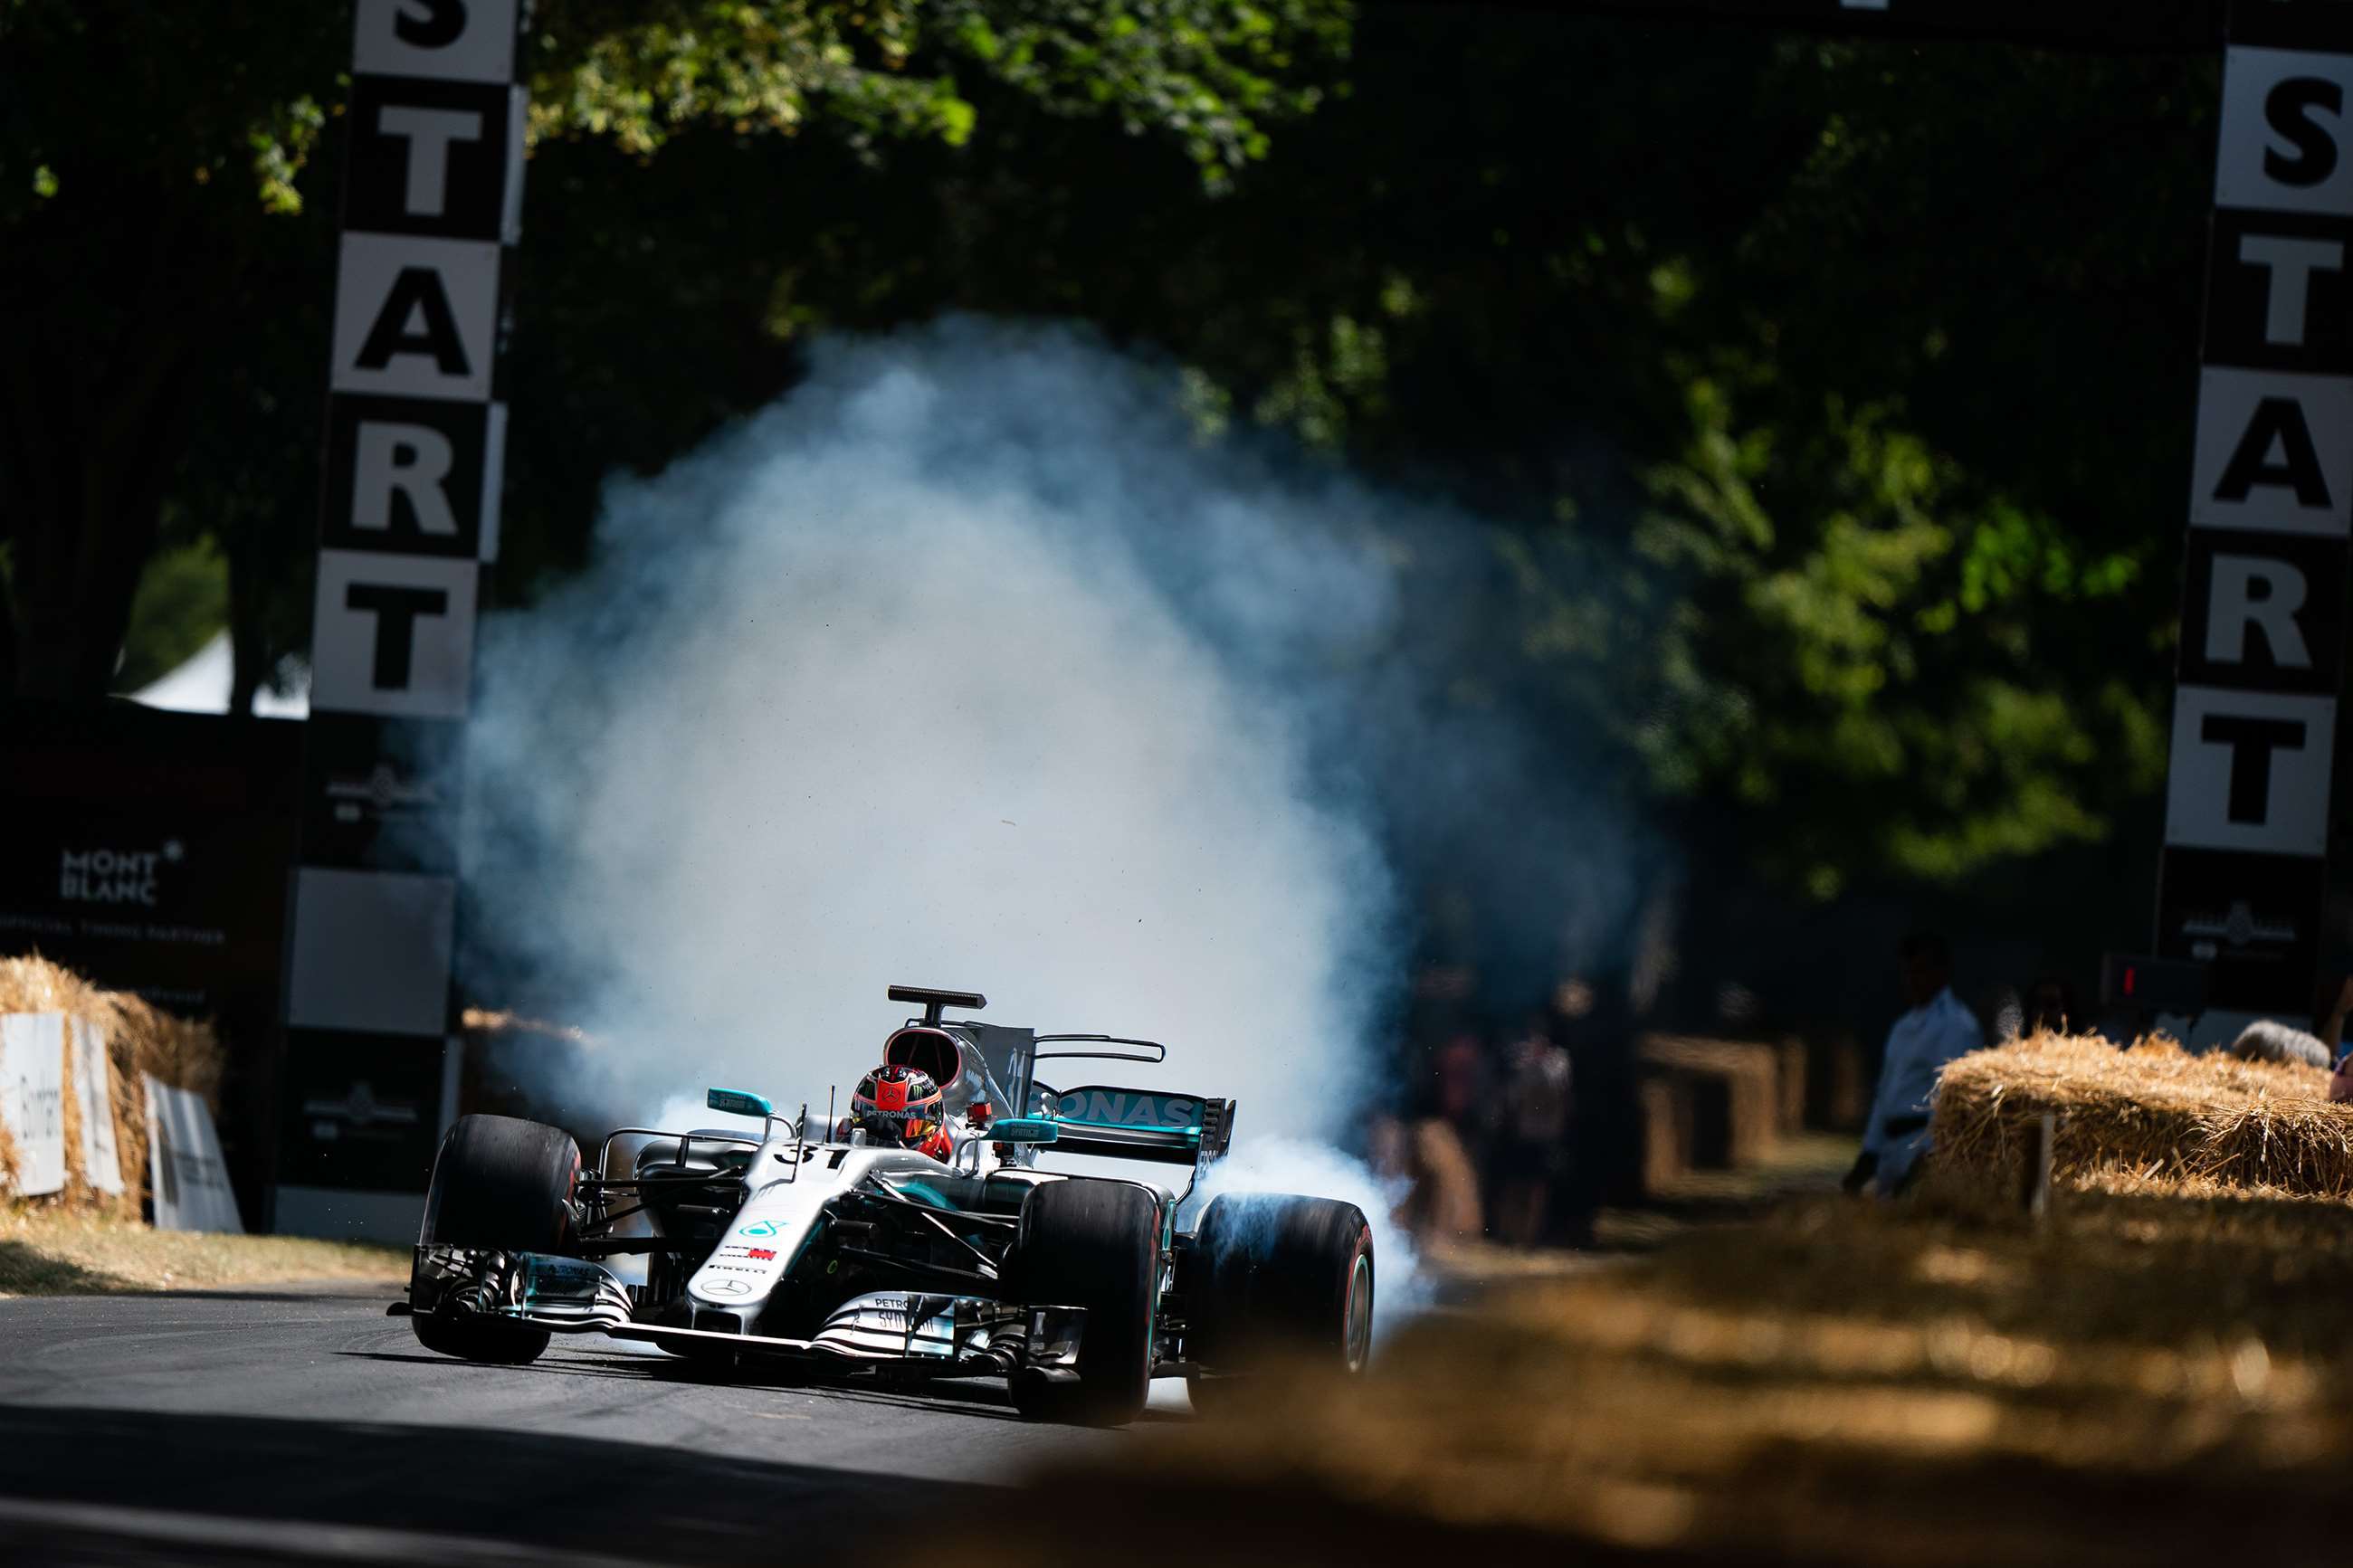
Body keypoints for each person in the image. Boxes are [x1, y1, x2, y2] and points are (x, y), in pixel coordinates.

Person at [1843, 931, 1983, 1198]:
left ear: (1942, 972)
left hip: (1919, 1146)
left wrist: (1927, 1158)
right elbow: (1885, 1094)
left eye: (1921, 971)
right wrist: (1870, 1151)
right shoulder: (1903, 1027)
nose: (1912, 980)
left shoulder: (1956, 1026)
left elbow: (1947, 1099)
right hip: (1891, 1148)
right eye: (1907, 972)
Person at [847, 1063, 954, 1161]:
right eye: (873, 1125)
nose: (887, 1143)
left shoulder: (960, 1155)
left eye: (902, 1124)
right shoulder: (839, 1134)